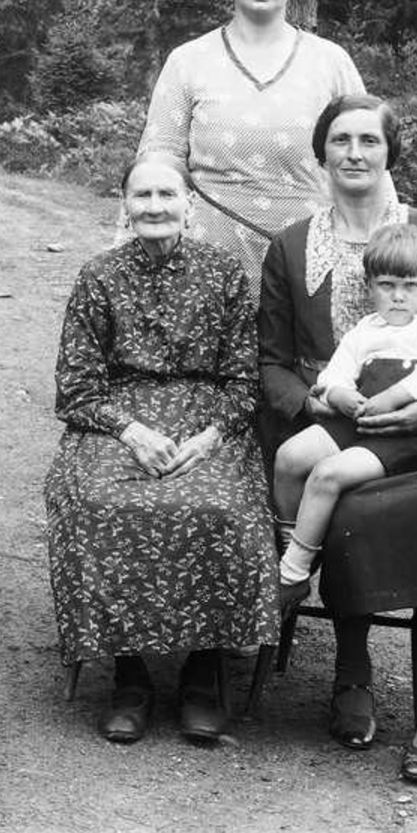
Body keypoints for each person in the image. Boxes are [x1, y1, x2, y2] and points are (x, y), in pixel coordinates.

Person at [257, 93, 417, 783]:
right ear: (321, 152)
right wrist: (314, 401)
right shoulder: (292, 244)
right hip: (335, 422)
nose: (355, 153)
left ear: (391, 152)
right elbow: (271, 362)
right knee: (343, 504)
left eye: (369, 140)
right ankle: (352, 673)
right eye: (341, 140)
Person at [45, 153, 279, 746]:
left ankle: (203, 671)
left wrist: (210, 436)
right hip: (118, 422)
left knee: (223, 507)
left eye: (167, 195)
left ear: (189, 204)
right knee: (96, 502)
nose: (154, 206)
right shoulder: (98, 276)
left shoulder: (225, 273)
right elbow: (75, 388)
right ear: (125, 205)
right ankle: (130, 676)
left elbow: (244, 382)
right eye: (142, 195)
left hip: (207, 422)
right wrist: (131, 432)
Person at [120, 0, 375, 301]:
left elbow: (371, 161)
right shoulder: (189, 61)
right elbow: (158, 162)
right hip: (206, 269)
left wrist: (390, 251)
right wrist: (134, 264)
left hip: (311, 265)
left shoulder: (330, 62)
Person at [273, 222, 417, 616]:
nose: (398, 296)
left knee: (327, 475)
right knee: (289, 457)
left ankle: (291, 576)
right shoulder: (366, 330)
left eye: (410, 286)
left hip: (411, 429)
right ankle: (295, 547)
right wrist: (341, 395)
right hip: (362, 416)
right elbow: (335, 374)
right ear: (369, 286)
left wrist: (395, 396)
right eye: (386, 285)